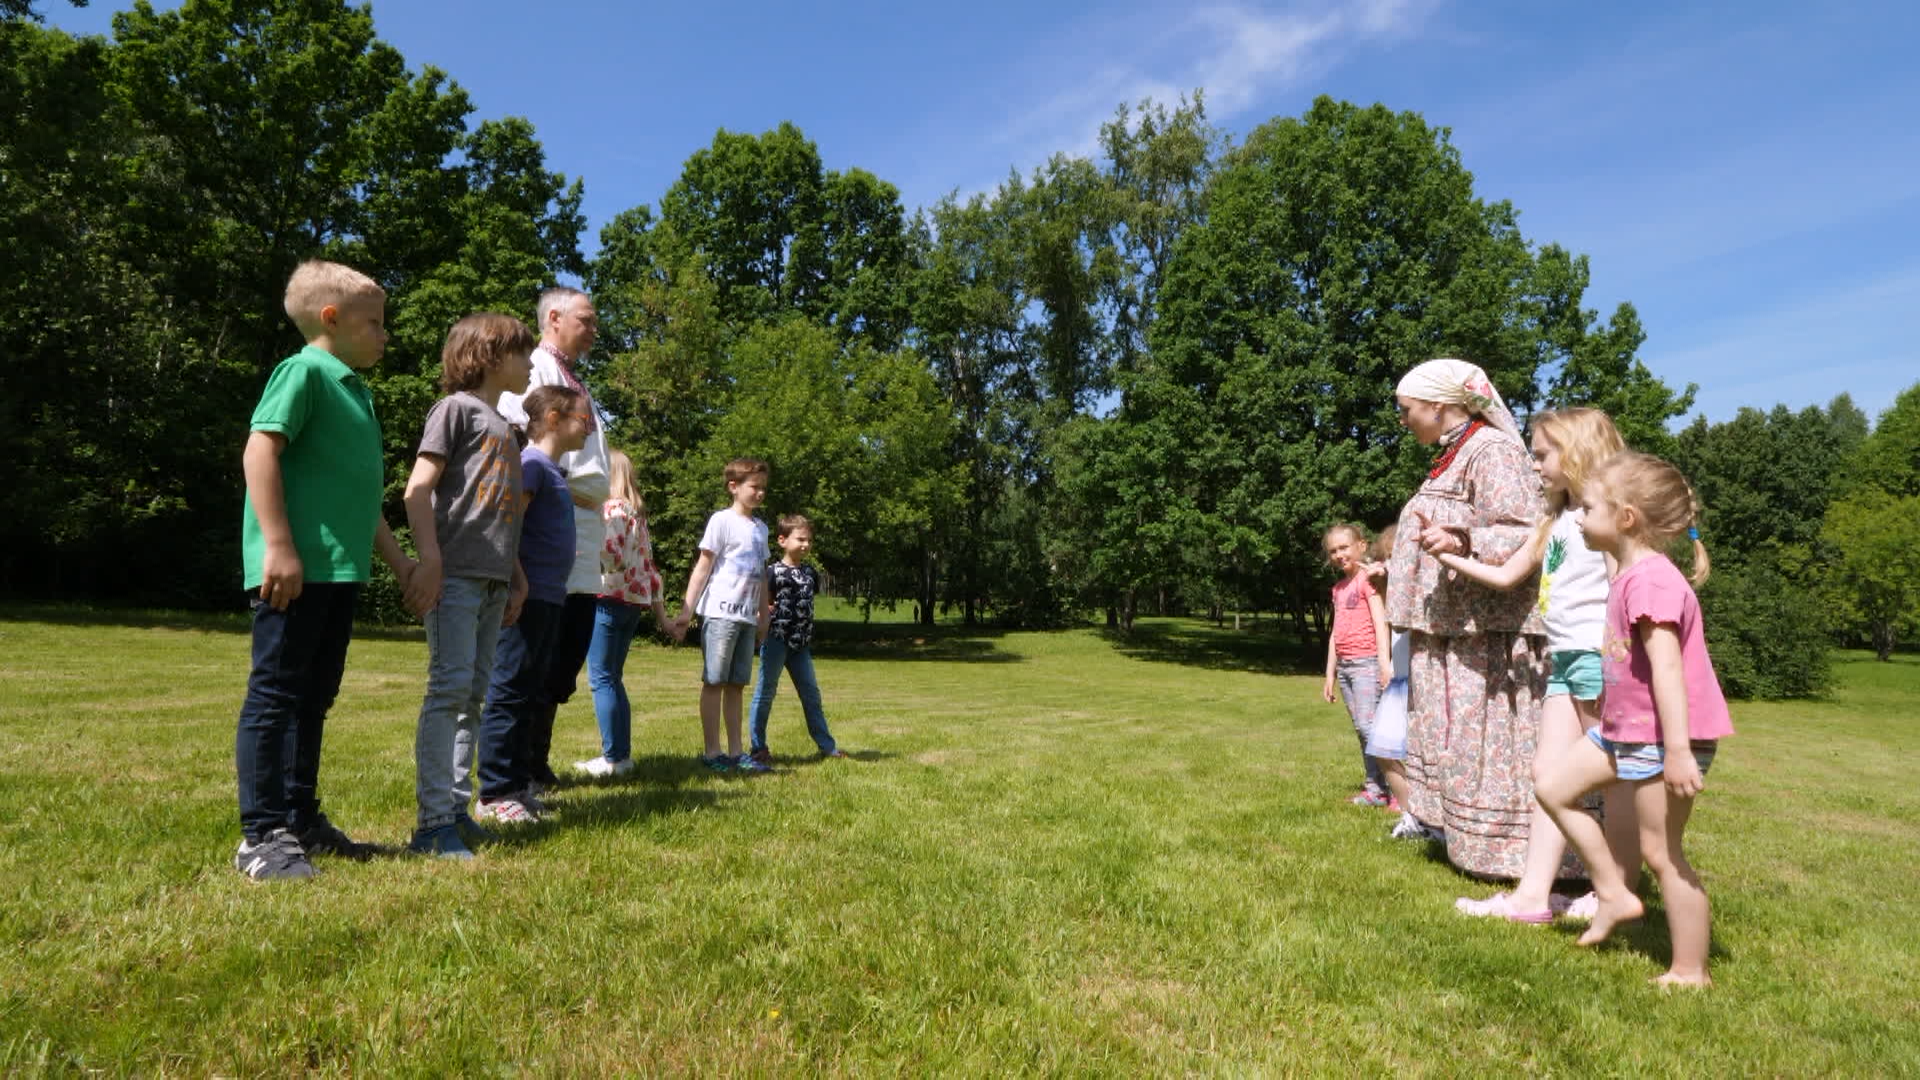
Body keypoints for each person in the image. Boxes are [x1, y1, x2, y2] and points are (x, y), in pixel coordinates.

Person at [232, 259, 428, 881]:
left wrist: (400, 563)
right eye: (375, 323)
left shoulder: (354, 390)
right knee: (276, 696)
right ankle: (262, 835)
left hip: (339, 574)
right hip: (295, 570)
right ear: (331, 319)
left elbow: (361, 501)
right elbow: (259, 450)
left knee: (314, 698)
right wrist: (278, 545)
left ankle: (301, 818)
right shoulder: (305, 372)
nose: (385, 335)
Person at [1536, 452, 1731, 988]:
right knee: (1552, 788)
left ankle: (1690, 970)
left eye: (1589, 508)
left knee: (1661, 853)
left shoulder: (1652, 583)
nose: (1579, 517)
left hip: (1662, 739)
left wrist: (1678, 751)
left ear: (1626, 518)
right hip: (1624, 731)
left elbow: (1667, 669)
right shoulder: (1627, 574)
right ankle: (1613, 892)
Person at [1443, 408, 1642, 921]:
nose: (1534, 465)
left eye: (1542, 455)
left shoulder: (1603, 517)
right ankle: (1532, 898)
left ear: (1576, 452)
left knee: (1616, 778)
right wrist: (1447, 555)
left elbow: (1623, 586)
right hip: (1565, 661)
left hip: (1598, 660)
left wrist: (1618, 658)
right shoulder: (1555, 520)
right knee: (1547, 774)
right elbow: (1506, 576)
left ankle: (1618, 890)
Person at [1385, 358, 1548, 880]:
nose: (1403, 419)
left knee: (1486, 744)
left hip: (1484, 637)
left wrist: (1462, 539)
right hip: (1454, 631)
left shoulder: (1492, 450)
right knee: (1454, 743)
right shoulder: (1456, 455)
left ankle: (1511, 855)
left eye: (1406, 409)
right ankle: (1465, 841)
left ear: (1438, 405)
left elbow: (1525, 531)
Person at [401, 313, 536, 859]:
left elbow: (504, 516)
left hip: (493, 583)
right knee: (449, 691)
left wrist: (516, 577)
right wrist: (429, 560)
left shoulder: (505, 426)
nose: (530, 363)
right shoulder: (454, 410)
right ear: (489, 356)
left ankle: (456, 812)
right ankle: (433, 824)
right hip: (454, 577)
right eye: (522, 353)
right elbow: (417, 490)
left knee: (473, 697)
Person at [497, 286, 608, 791]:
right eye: (587, 319)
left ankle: (535, 760)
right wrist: (557, 489)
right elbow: (519, 439)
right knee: (538, 649)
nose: (594, 329)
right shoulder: (536, 369)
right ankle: (518, 767)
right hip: (550, 520)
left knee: (565, 651)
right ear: (555, 318)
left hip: (582, 528)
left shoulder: (575, 379)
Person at [476, 385, 589, 823]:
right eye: (583, 419)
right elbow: (508, 525)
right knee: (509, 689)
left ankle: (517, 783)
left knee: (529, 691)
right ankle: (494, 791)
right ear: (555, 419)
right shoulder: (531, 465)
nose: (588, 428)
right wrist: (516, 582)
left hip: (549, 597)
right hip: (527, 597)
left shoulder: (553, 471)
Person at [574, 449, 671, 779]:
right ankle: (621, 756)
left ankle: (614, 758)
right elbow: (651, 570)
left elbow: (611, 555)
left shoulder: (612, 509)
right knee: (612, 677)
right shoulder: (637, 516)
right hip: (633, 602)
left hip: (608, 599)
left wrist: (581, 551)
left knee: (601, 678)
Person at [671, 458, 772, 774]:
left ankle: (737, 752)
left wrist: (763, 616)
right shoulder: (722, 521)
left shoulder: (761, 529)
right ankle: (712, 752)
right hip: (720, 614)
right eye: (754, 487)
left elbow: (762, 576)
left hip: (746, 618)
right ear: (733, 487)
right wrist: (686, 611)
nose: (760, 493)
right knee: (714, 681)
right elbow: (703, 568)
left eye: (763, 488)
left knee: (737, 684)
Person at [748, 514, 848, 764]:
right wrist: (763, 614)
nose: (805, 544)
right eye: (800, 539)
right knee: (765, 693)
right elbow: (763, 603)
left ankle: (827, 747)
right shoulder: (772, 572)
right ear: (782, 540)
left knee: (811, 695)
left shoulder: (810, 573)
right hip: (776, 641)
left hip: (801, 646)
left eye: (809, 540)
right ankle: (758, 747)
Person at [1361, 526, 1431, 840]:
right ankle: (1412, 815)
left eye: (1398, 556)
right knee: (1383, 749)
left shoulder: (1424, 587)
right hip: (1400, 679)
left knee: (1422, 757)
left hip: (1422, 680)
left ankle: (1431, 820)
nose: (1392, 562)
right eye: (1388, 555)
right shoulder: (1390, 592)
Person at [1320, 523, 1393, 807]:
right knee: (1361, 730)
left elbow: (1380, 622)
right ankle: (1375, 789)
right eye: (1333, 551)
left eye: (1344, 547)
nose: (1339, 555)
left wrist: (1384, 663)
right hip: (1347, 667)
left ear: (1361, 546)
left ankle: (1398, 787)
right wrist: (1330, 673)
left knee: (1368, 727)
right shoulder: (1339, 588)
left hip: (1367, 664)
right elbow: (1335, 632)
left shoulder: (1369, 579)